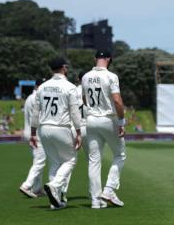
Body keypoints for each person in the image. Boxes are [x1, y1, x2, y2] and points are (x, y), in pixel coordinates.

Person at [29, 57, 82, 210]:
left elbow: (35, 112)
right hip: (61, 127)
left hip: (44, 129)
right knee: (70, 160)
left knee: (54, 163)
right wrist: (78, 132)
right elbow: (74, 112)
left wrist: (33, 132)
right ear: (64, 68)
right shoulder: (70, 86)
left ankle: (55, 202)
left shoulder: (42, 87)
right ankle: (55, 186)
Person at [81, 50, 127, 209]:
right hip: (108, 118)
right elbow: (117, 101)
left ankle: (95, 200)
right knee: (120, 155)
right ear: (109, 59)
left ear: (95, 59)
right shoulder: (111, 76)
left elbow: (84, 100)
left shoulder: (85, 76)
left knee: (94, 160)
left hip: (91, 120)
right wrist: (122, 121)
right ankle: (108, 190)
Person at [19, 80, 46, 198]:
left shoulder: (30, 97)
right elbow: (38, 117)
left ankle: (37, 188)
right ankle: (27, 185)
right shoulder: (38, 97)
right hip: (36, 133)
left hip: (28, 131)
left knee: (38, 160)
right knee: (40, 161)